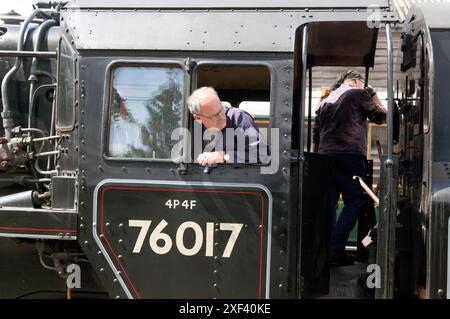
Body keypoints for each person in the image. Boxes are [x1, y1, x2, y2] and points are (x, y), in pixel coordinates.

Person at [312, 70, 387, 266]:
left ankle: (324, 250)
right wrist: (372, 93)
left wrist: (317, 159)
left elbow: (315, 135)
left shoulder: (325, 100)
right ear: (356, 81)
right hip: (350, 156)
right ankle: (336, 248)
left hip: (325, 157)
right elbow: (380, 116)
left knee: (330, 205)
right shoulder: (358, 93)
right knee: (356, 200)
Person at [186, 87, 268, 166]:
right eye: (214, 115)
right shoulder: (189, 127)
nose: (222, 117)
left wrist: (223, 156)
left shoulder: (239, 118)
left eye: (221, 109)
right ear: (198, 118)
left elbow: (262, 155)